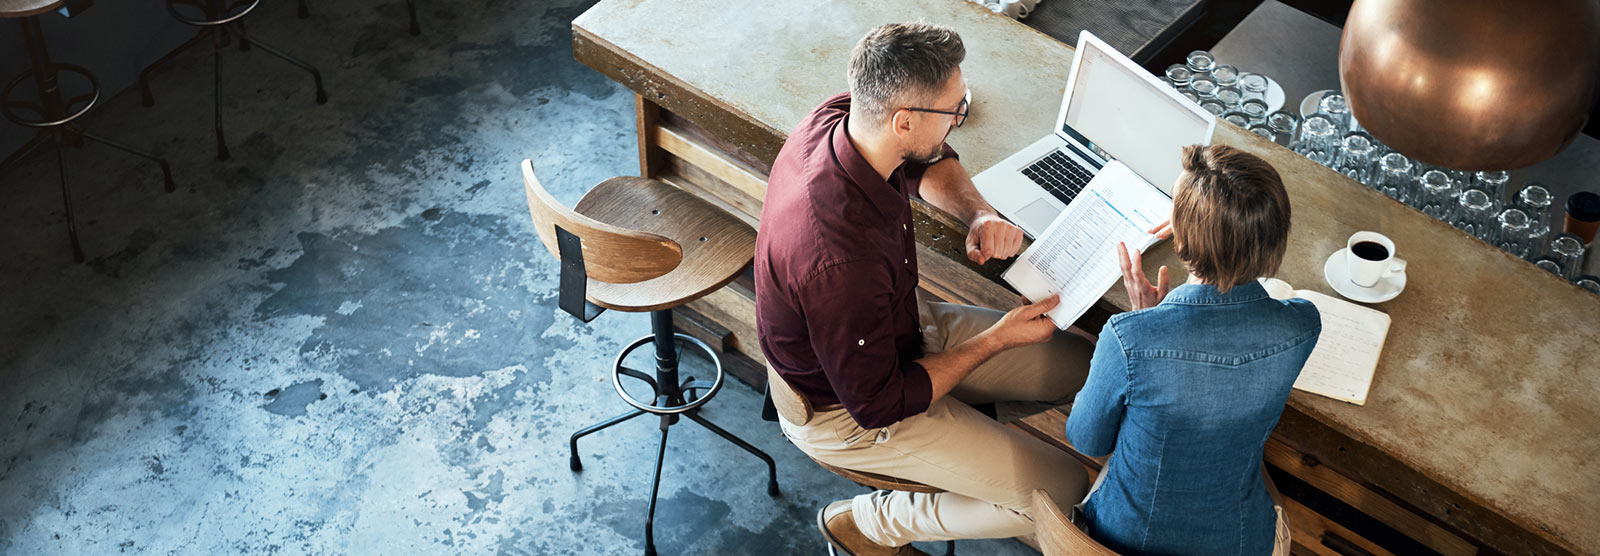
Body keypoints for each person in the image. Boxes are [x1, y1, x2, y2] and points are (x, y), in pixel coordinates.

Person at [754, 22, 1094, 556]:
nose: (959, 118)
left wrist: (978, 213)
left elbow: (927, 158)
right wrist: (995, 341)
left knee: (1084, 369)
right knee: (1065, 489)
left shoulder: (842, 118)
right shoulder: (841, 261)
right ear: (904, 119)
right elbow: (878, 403)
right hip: (847, 409)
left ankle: (962, 433)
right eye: (952, 110)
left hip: (898, 331)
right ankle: (871, 524)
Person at [1067, 144, 1319, 556]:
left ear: (1180, 241)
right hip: (1238, 541)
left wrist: (1148, 322)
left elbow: (1087, 440)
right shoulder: (1303, 325)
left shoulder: (1127, 339)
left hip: (1122, 542)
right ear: (1276, 239)